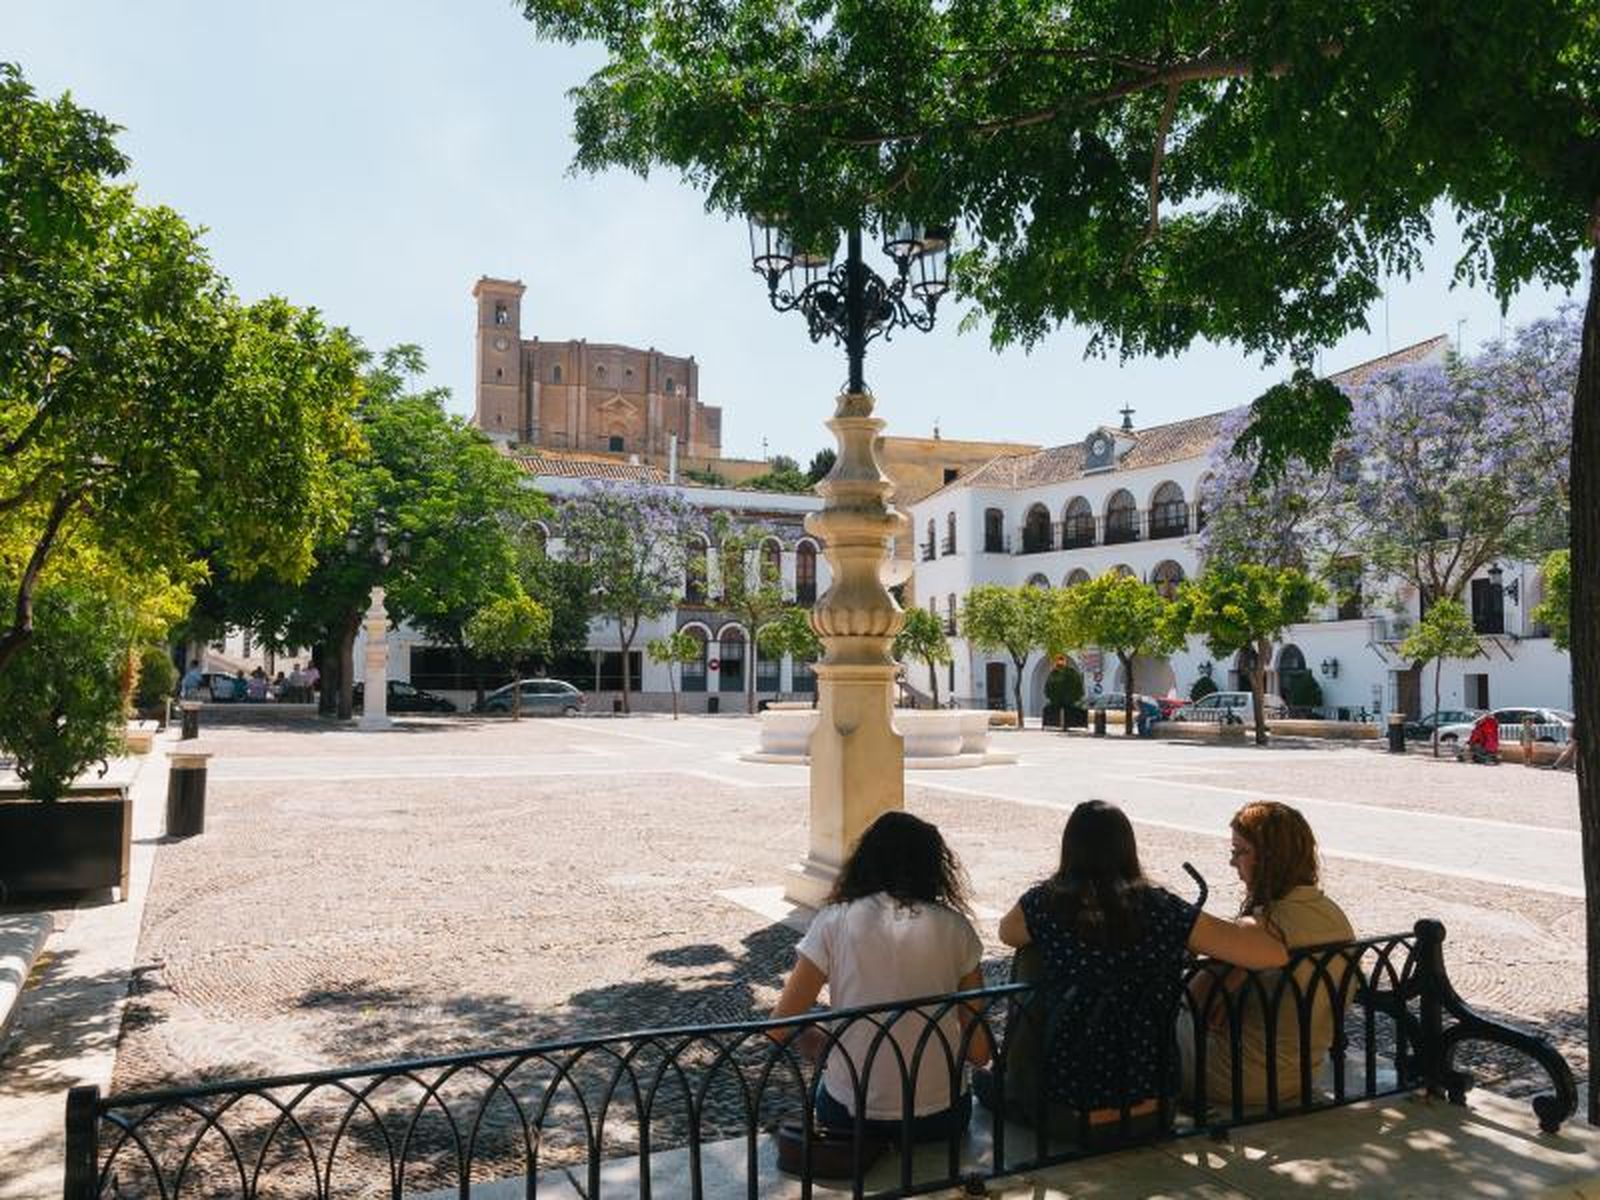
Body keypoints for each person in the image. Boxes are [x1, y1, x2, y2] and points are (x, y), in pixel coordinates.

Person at [993, 801, 1288, 1145]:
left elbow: (1007, 933)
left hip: (1073, 1115)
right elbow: (1273, 954)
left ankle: (1013, 1078)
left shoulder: (1046, 903)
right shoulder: (1161, 908)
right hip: (1154, 1110)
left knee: (1031, 955)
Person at [770, 812, 990, 1143]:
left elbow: (779, 1027)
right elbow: (979, 1052)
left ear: (864, 862)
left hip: (852, 1114)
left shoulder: (834, 922)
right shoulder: (957, 928)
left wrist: (821, 1041)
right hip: (940, 1115)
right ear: (934, 867)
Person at [1185, 801, 1354, 1113]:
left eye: (1240, 850)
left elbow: (1192, 1002)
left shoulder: (1262, 926)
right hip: (1301, 1076)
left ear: (1269, 858)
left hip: (1237, 1079)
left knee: (1155, 1017)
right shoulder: (1332, 914)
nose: (1232, 862)